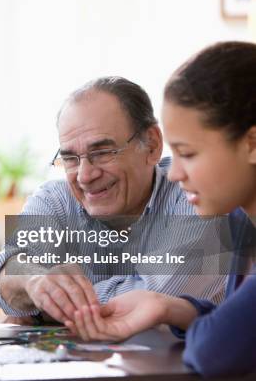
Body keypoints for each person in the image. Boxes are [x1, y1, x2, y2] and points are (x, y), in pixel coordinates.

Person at [66, 41, 256, 378]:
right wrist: (167, 307)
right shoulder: (242, 220)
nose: (176, 172)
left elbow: (216, 349)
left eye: (188, 153)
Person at [0, 76, 232, 325]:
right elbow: (5, 276)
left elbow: (156, 302)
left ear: (152, 145)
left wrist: (44, 307)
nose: (85, 175)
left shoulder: (199, 193)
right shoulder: (55, 200)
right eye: (71, 158)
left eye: (102, 153)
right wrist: (34, 281)